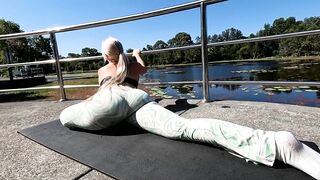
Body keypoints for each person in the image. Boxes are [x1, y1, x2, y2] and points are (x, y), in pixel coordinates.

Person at [60, 37, 320, 179]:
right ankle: (274, 144)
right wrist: (137, 54)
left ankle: (279, 146)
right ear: (122, 53)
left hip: (112, 102)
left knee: (65, 117)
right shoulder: (131, 64)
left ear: (105, 56)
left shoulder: (101, 69)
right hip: (137, 102)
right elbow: (142, 68)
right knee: (186, 127)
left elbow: (104, 95)